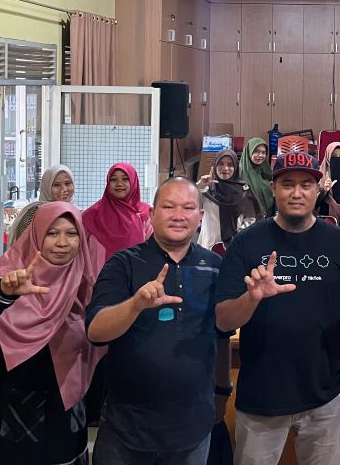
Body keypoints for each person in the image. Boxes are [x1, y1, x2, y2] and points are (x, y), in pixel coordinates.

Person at [215, 151, 340, 465]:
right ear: (273, 188)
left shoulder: (339, 242)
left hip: (325, 399)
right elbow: (223, 321)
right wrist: (252, 298)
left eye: (306, 185)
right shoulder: (246, 243)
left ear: (318, 188)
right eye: (287, 184)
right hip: (261, 399)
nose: (297, 193)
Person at [87, 177, 230, 464]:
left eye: (188, 208)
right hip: (126, 425)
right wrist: (135, 305)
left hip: (192, 426)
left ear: (200, 217)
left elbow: (222, 334)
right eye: (169, 206)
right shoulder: (124, 263)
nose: (179, 215)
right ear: (151, 214)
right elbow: (96, 331)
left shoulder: (215, 266)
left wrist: (223, 389)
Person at [0, 201, 104, 465]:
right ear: (35, 235)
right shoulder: (9, 276)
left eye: (71, 234)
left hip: (65, 422)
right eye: (52, 233)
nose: (62, 242)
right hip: (10, 422)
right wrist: (2, 295)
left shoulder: (86, 282)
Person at [82, 162, 153, 260]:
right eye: (113, 179)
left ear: (133, 181)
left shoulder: (145, 213)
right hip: (100, 269)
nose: (119, 184)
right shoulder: (92, 214)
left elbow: (153, 250)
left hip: (137, 268)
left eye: (125, 179)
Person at [197, 150, 264, 250]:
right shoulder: (206, 190)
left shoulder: (243, 190)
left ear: (236, 167)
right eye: (220, 164)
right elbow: (189, 204)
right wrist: (200, 186)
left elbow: (251, 218)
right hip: (209, 245)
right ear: (214, 166)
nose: (225, 168)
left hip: (235, 246)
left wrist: (238, 236)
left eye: (230, 165)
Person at [8, 164, 77, 246]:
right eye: (56, 185)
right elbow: (21, 244)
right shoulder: (34, 212)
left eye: (67, 183)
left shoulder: (76, 213)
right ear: (46, 187)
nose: (64, 189)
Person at [239, 137, 274, 217]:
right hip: (249, 218)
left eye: (263, 152)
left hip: (268, 217)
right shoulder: (239, 173)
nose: (260, 155)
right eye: (256, 152)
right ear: (249, 152)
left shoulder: (267, 171)